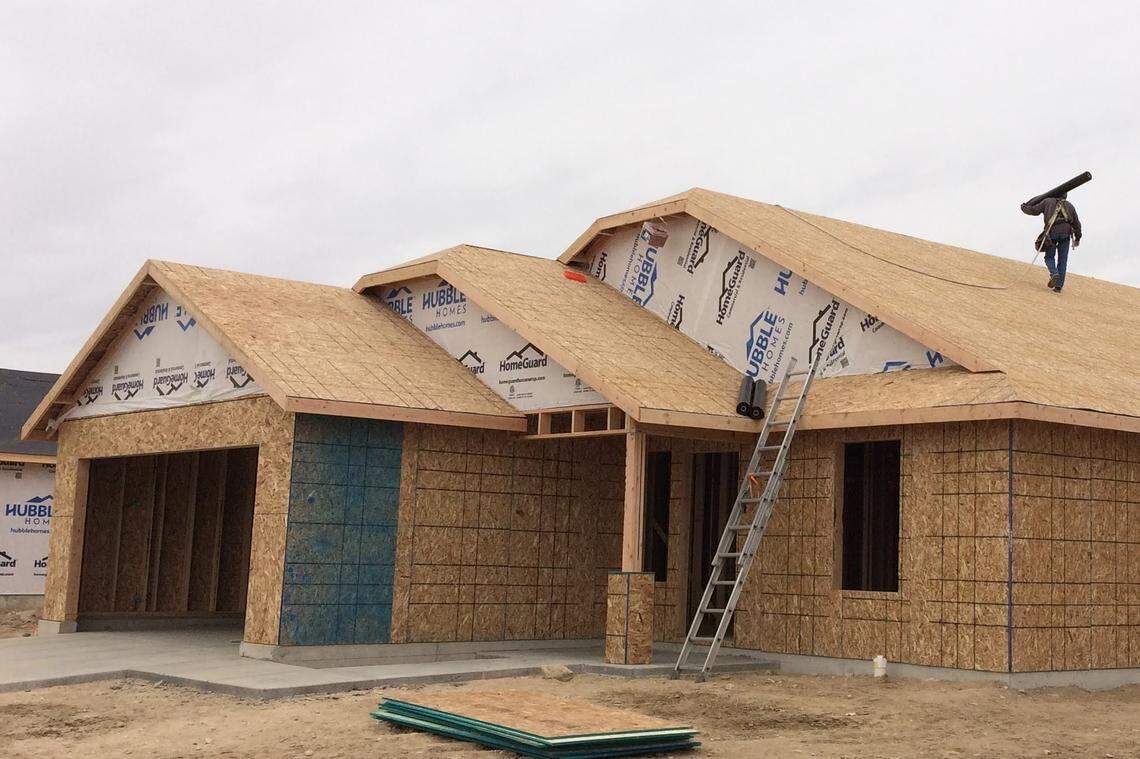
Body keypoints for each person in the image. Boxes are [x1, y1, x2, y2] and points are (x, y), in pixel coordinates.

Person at [1022, 193, 1082, 292]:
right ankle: (1058, 287)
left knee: (1049, 257)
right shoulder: (1070, 206)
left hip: (1051, 233)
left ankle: (1054, 273)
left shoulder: (1047, 201)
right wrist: (1077, 238)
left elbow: (1034, 210)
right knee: (1062, 260)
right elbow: (1077, 223)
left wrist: (1024, 207)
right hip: (1065, 234)